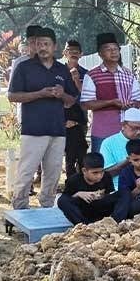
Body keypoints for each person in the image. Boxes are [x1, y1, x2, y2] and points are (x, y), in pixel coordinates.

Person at [7, 27, 78, 210]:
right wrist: (39, 93)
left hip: (57, 129)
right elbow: (13, 96)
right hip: (33, 129)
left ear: (55, 46)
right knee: (26, 172)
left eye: (46, 44)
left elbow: (72, 100)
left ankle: (46, 208)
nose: (42, 48)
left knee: (53, 173)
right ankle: (19, 207)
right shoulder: (25, 67)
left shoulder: (62, 69)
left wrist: (62, 94)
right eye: (39, 44)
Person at [80, 32, 140, 151]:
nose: (113, 52)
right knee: (102, 166)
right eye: (108, 49)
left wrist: (132, 105)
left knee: (126, 165)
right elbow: (85, 104)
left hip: (127, 132)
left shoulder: (129, 75)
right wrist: (111, 102)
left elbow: (138, 101)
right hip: (102, 132)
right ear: (100, 54)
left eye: (115, 49)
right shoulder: (92, 75)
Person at [56, 152, 120, 225]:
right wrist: (78, 194)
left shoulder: (106, 176)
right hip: (83, 211)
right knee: (62, 200)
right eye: (95, 173)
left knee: (123, 193)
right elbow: (66, 199)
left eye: (101, 172)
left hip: (101, 209)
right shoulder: (74, 180)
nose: (99, 176)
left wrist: (100, 196)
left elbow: (109, 195)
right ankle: (83, 226)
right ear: (84, 171)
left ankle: (116, 221)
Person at [99, 108, 140, 188]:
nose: (139, 132)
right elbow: (104, 174)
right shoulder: (108, 143)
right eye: (134, 128)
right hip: (117, 189)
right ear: (123, 125)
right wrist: (128, 162)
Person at [61, 40, 89, 178]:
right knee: (67, 154)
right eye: (70, 51)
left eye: (76, 51)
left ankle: (81, 180)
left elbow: (87, 96)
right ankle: (69, 181)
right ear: (64, 52)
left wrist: (77, 80)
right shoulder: (58, 71)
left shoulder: (86, 73)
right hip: (61, 117)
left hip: (80, 118)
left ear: (81, 54)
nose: (73, 54)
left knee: (81, 152)